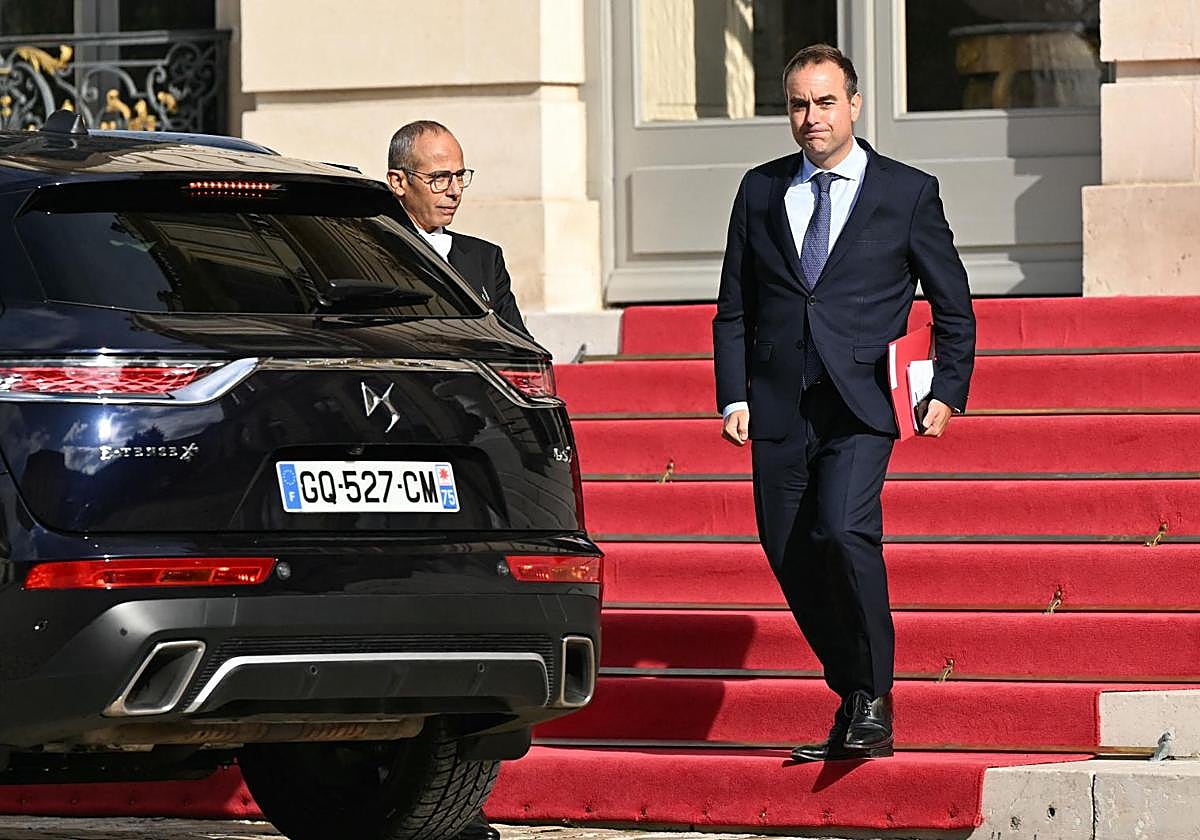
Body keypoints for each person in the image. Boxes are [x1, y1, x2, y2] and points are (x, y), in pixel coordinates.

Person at [712, 44, 976, 761]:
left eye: (825, 102)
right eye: (798, 103)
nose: (811, 118)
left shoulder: (906, 192)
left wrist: (948, 388)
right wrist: (731, 394)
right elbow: (734, 306)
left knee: (842, 530)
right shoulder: (761, 190)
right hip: (777, 404)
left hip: (863, 402)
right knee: (788, 547)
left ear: (854, 105)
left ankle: (873, 697)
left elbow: (953, 303)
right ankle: (854, 688)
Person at [386, 120, 529, 336]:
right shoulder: (372, 252)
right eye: (439, 178)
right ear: (398, 182)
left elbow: (520, 348)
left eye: (459, 176)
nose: (455, 191)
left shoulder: (485, 259)